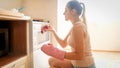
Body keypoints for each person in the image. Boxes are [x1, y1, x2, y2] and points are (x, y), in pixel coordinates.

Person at [41, 0, 96, 68]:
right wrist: (53, 31)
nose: (63, 13)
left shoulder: (78, 27)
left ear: (73, 11)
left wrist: (55, 52)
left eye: (66, 10)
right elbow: (63, 44)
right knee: (51, 60)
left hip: (84, 65)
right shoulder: (75, 26)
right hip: (78, 63)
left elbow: (79, 55)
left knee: (52, 63)